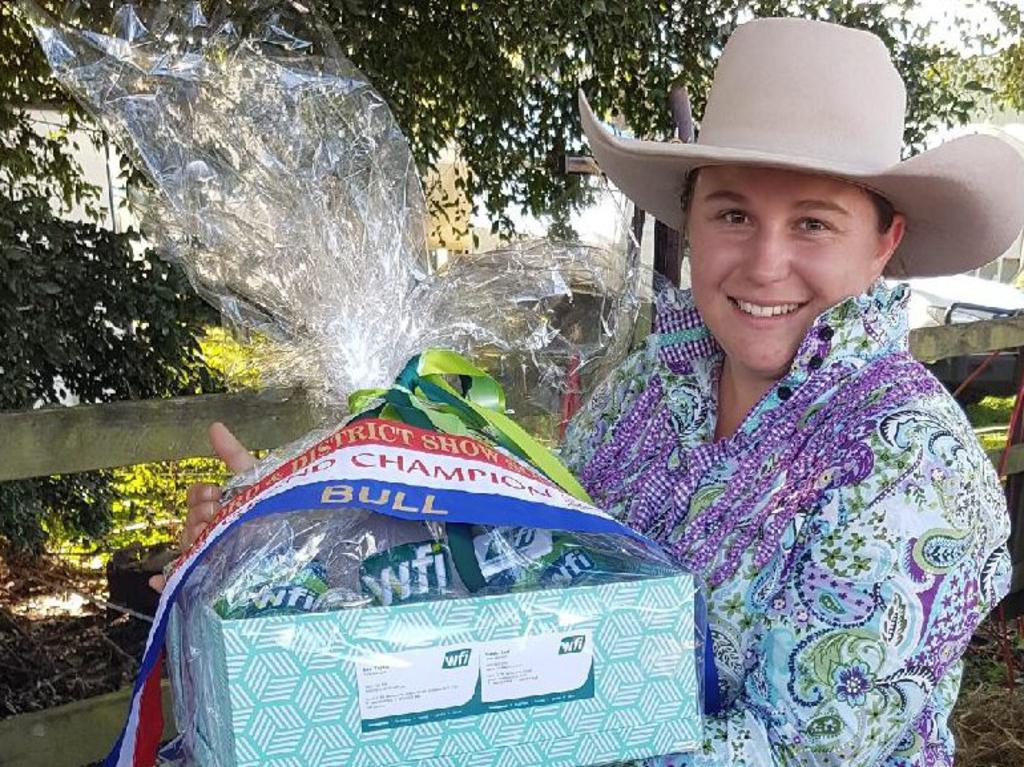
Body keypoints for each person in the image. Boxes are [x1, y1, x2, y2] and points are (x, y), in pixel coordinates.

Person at [169, 17, 1024, 767]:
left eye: (812, 222)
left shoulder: (913, 468)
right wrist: (305, 536)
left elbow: (792, 751)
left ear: (884, 243)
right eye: (732, 214)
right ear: (692, 222)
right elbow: (520, 561)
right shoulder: (650, 387)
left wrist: (492, 724)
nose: (765, 264)